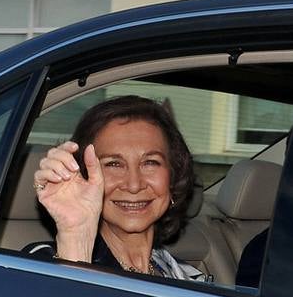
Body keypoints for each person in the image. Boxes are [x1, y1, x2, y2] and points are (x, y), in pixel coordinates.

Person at [27, 95, 206, 281]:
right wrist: (76, 236)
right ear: (83, 175)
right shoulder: (41, 264)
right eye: (114, 164)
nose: (134, 185)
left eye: (150, 163)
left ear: (173, 176)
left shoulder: (186, 277)